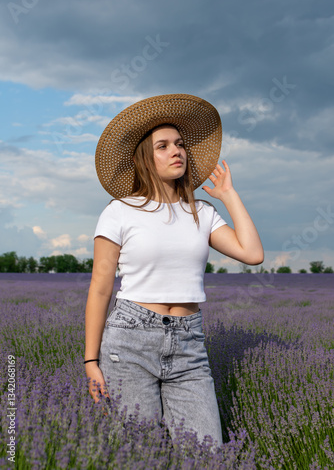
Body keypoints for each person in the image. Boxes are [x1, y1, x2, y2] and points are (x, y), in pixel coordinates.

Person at [84, 94, 264, 446]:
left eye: (180, 144)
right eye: (163, 146)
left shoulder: (202, 213)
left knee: (206, 452)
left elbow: (252, 253)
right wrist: (91, 359)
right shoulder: (120, 211)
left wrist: (228, 195)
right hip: (130, 341)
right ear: (145, 159)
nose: (176, 151)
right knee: (138, 452)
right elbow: (100, 288)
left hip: (189, 344)